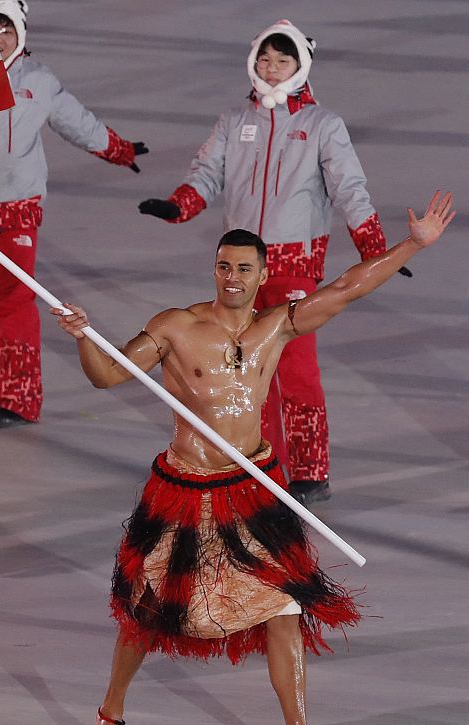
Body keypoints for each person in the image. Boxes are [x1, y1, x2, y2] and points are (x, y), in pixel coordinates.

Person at [53, 191, 454, 725]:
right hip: (184, 490)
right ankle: (110, 715)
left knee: (284, 606)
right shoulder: (175, 327)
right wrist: (85, 338)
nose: (232, 277)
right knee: (149, 608)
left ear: (264, 275)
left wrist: (410, 247)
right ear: (212, 269)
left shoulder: (277, 329)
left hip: (252, 490)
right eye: (223, 266)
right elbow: (107, 376)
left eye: (244, 269)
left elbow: (348, 287)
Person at [138, 20, 392, 506]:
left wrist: (373, 249)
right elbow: (206, 172)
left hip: (295, 263)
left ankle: (310, 470)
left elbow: (349, 189)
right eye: (265, 60)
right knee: (245, 366)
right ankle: (260, 463)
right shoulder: (235, 120)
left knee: (295, 367)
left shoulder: (323, 125)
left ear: (301, 66)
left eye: (284, 61)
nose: (272, 70)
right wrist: (180, 205)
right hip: (241, 266)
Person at [0, 0, 147, 428]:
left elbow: (77, 121)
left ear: (21, 36)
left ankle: (20, 399)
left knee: (12, 303)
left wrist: (118, 149)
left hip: (18, 211)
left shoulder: (37, 80)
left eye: (6, 33)